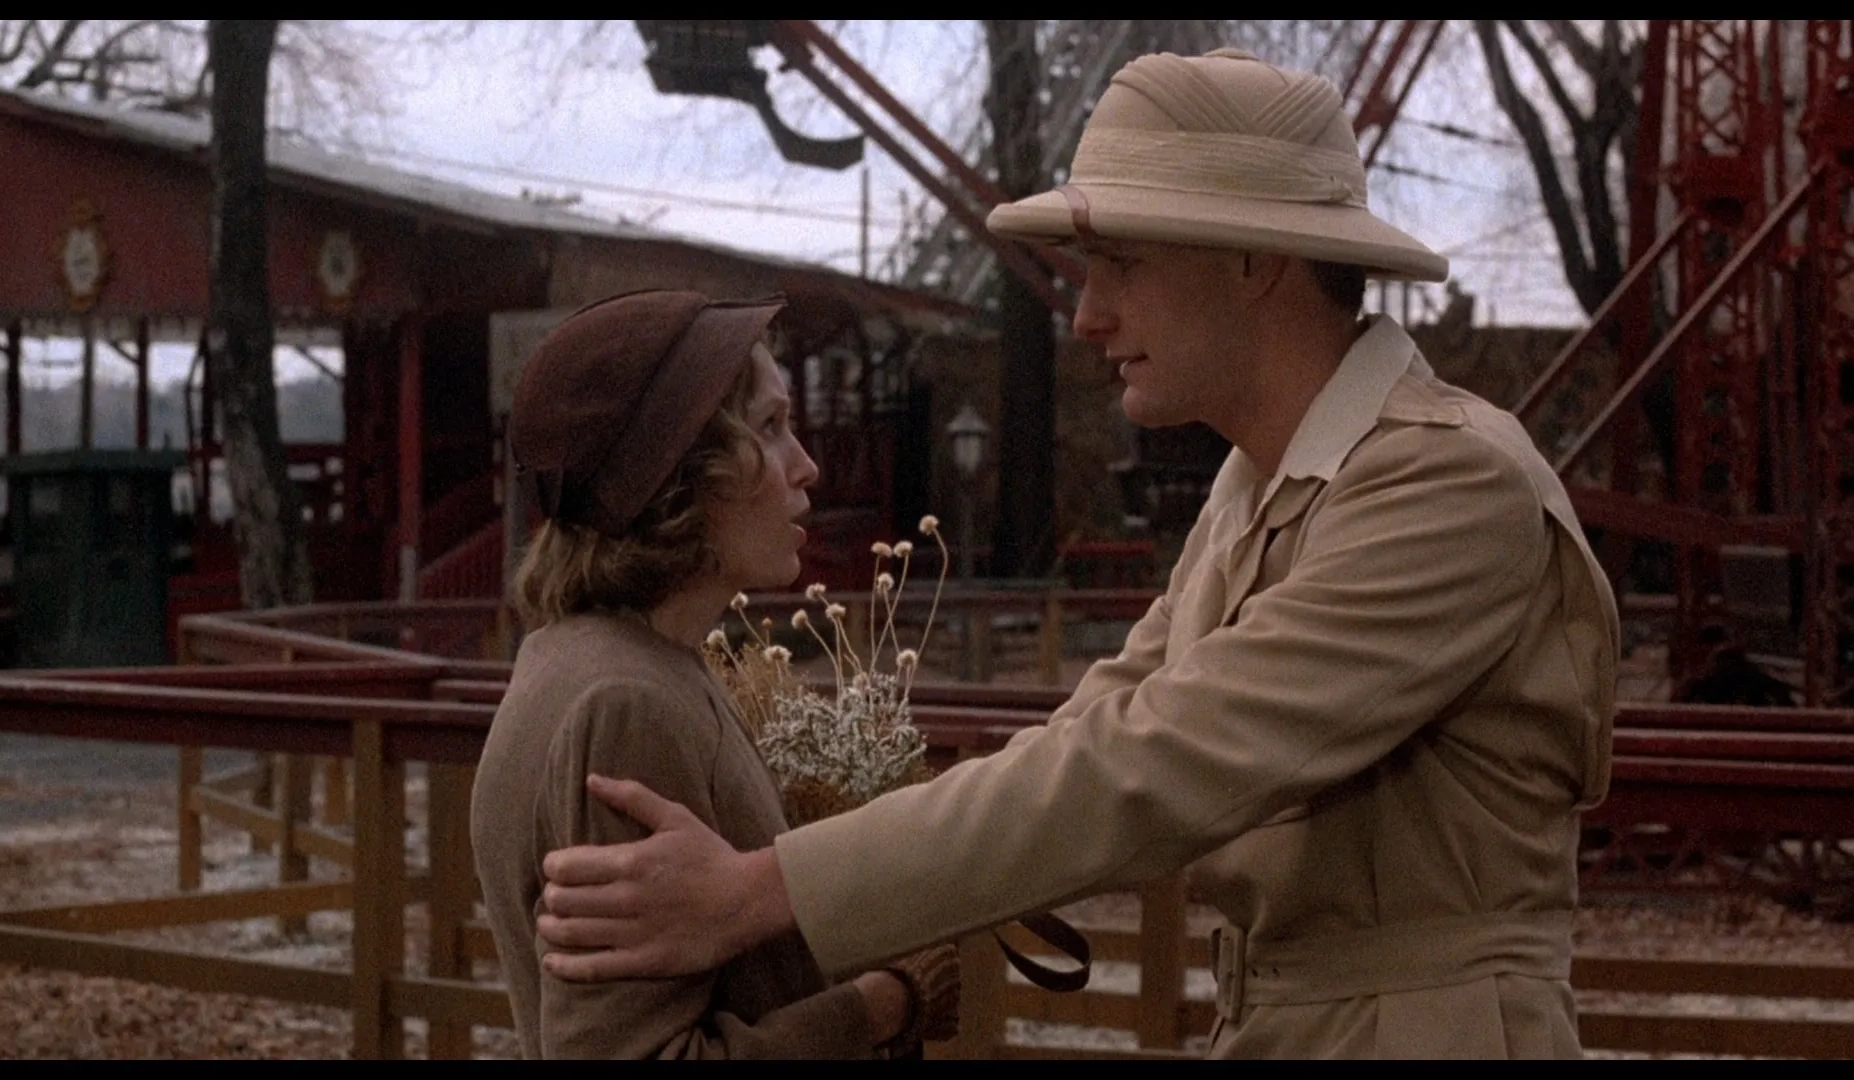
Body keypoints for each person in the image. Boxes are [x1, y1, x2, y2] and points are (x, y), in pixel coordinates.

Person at [532, 50, 1621, 1059]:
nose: (1088, 317)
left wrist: (760, 891)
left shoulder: (1447, 482)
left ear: (1253, 260)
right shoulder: (1264, 480)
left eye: (1121, 266)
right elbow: (1105, 725)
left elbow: (1159, 759)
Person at [469, 289, 959, 1059]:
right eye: (768, 428)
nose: (807, 465)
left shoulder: (610, 659)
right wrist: (882, 1003)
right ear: (675, 472)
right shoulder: (624, 704)